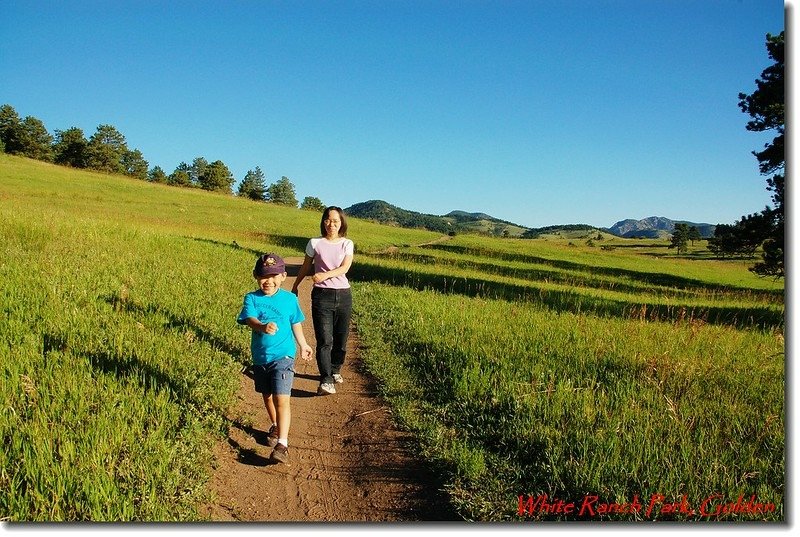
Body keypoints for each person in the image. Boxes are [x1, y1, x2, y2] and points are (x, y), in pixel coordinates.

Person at [237, 252, 312, 463]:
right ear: (255, 276)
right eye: (263, 276)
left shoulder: (290, 299)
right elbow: (249, 319)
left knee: (282, 398)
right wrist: (261, 326)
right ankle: (277, 426)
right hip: (261, 357)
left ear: (283, 276)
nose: (267, 281)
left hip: (284, 356)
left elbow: (295, 322)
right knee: (267, 396)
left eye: (273, 276)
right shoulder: (251, 298)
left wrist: (304, 344)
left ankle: (282, 444)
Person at [292, 206, 354, 396]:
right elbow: (305, 266)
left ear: (341, 223)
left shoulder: (347, 243)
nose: (331, 224)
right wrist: (295, 286)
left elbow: (345, 267)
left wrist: (324, 275)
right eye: (328, 220)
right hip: (322, 296)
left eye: (335, 221)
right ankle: (325, 380)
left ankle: (335, 369)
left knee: (341, 340)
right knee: (324, 340)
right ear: (323, 221)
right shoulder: (314, 243)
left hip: (343, 295)